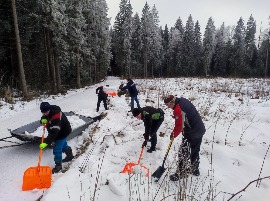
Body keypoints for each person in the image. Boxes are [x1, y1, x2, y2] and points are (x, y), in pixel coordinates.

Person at [164, 95, 206, 181]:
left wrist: (173, 134)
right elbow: (185, 118)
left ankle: (180, 173)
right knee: (195, 150)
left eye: (168, 105)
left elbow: (179, 126)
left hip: (192, 133)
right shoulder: (183, 100)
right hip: (200, 129)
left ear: (172, 102)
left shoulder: (178, 109)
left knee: (183, 152)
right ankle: (195, 169)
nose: (168, 107)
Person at [39, 102, 74, 173]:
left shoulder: (56, 117)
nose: (45, 113)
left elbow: (53, 133)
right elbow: (46, 116)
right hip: (59, 131)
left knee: (57, 148)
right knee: (63, 145)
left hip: (62, 132)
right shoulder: (50, 110)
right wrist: (43, 119)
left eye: (46, 112)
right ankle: (69, 155)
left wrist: (46, 142)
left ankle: (58, 165)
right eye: (43, 112)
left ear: (49, 109)